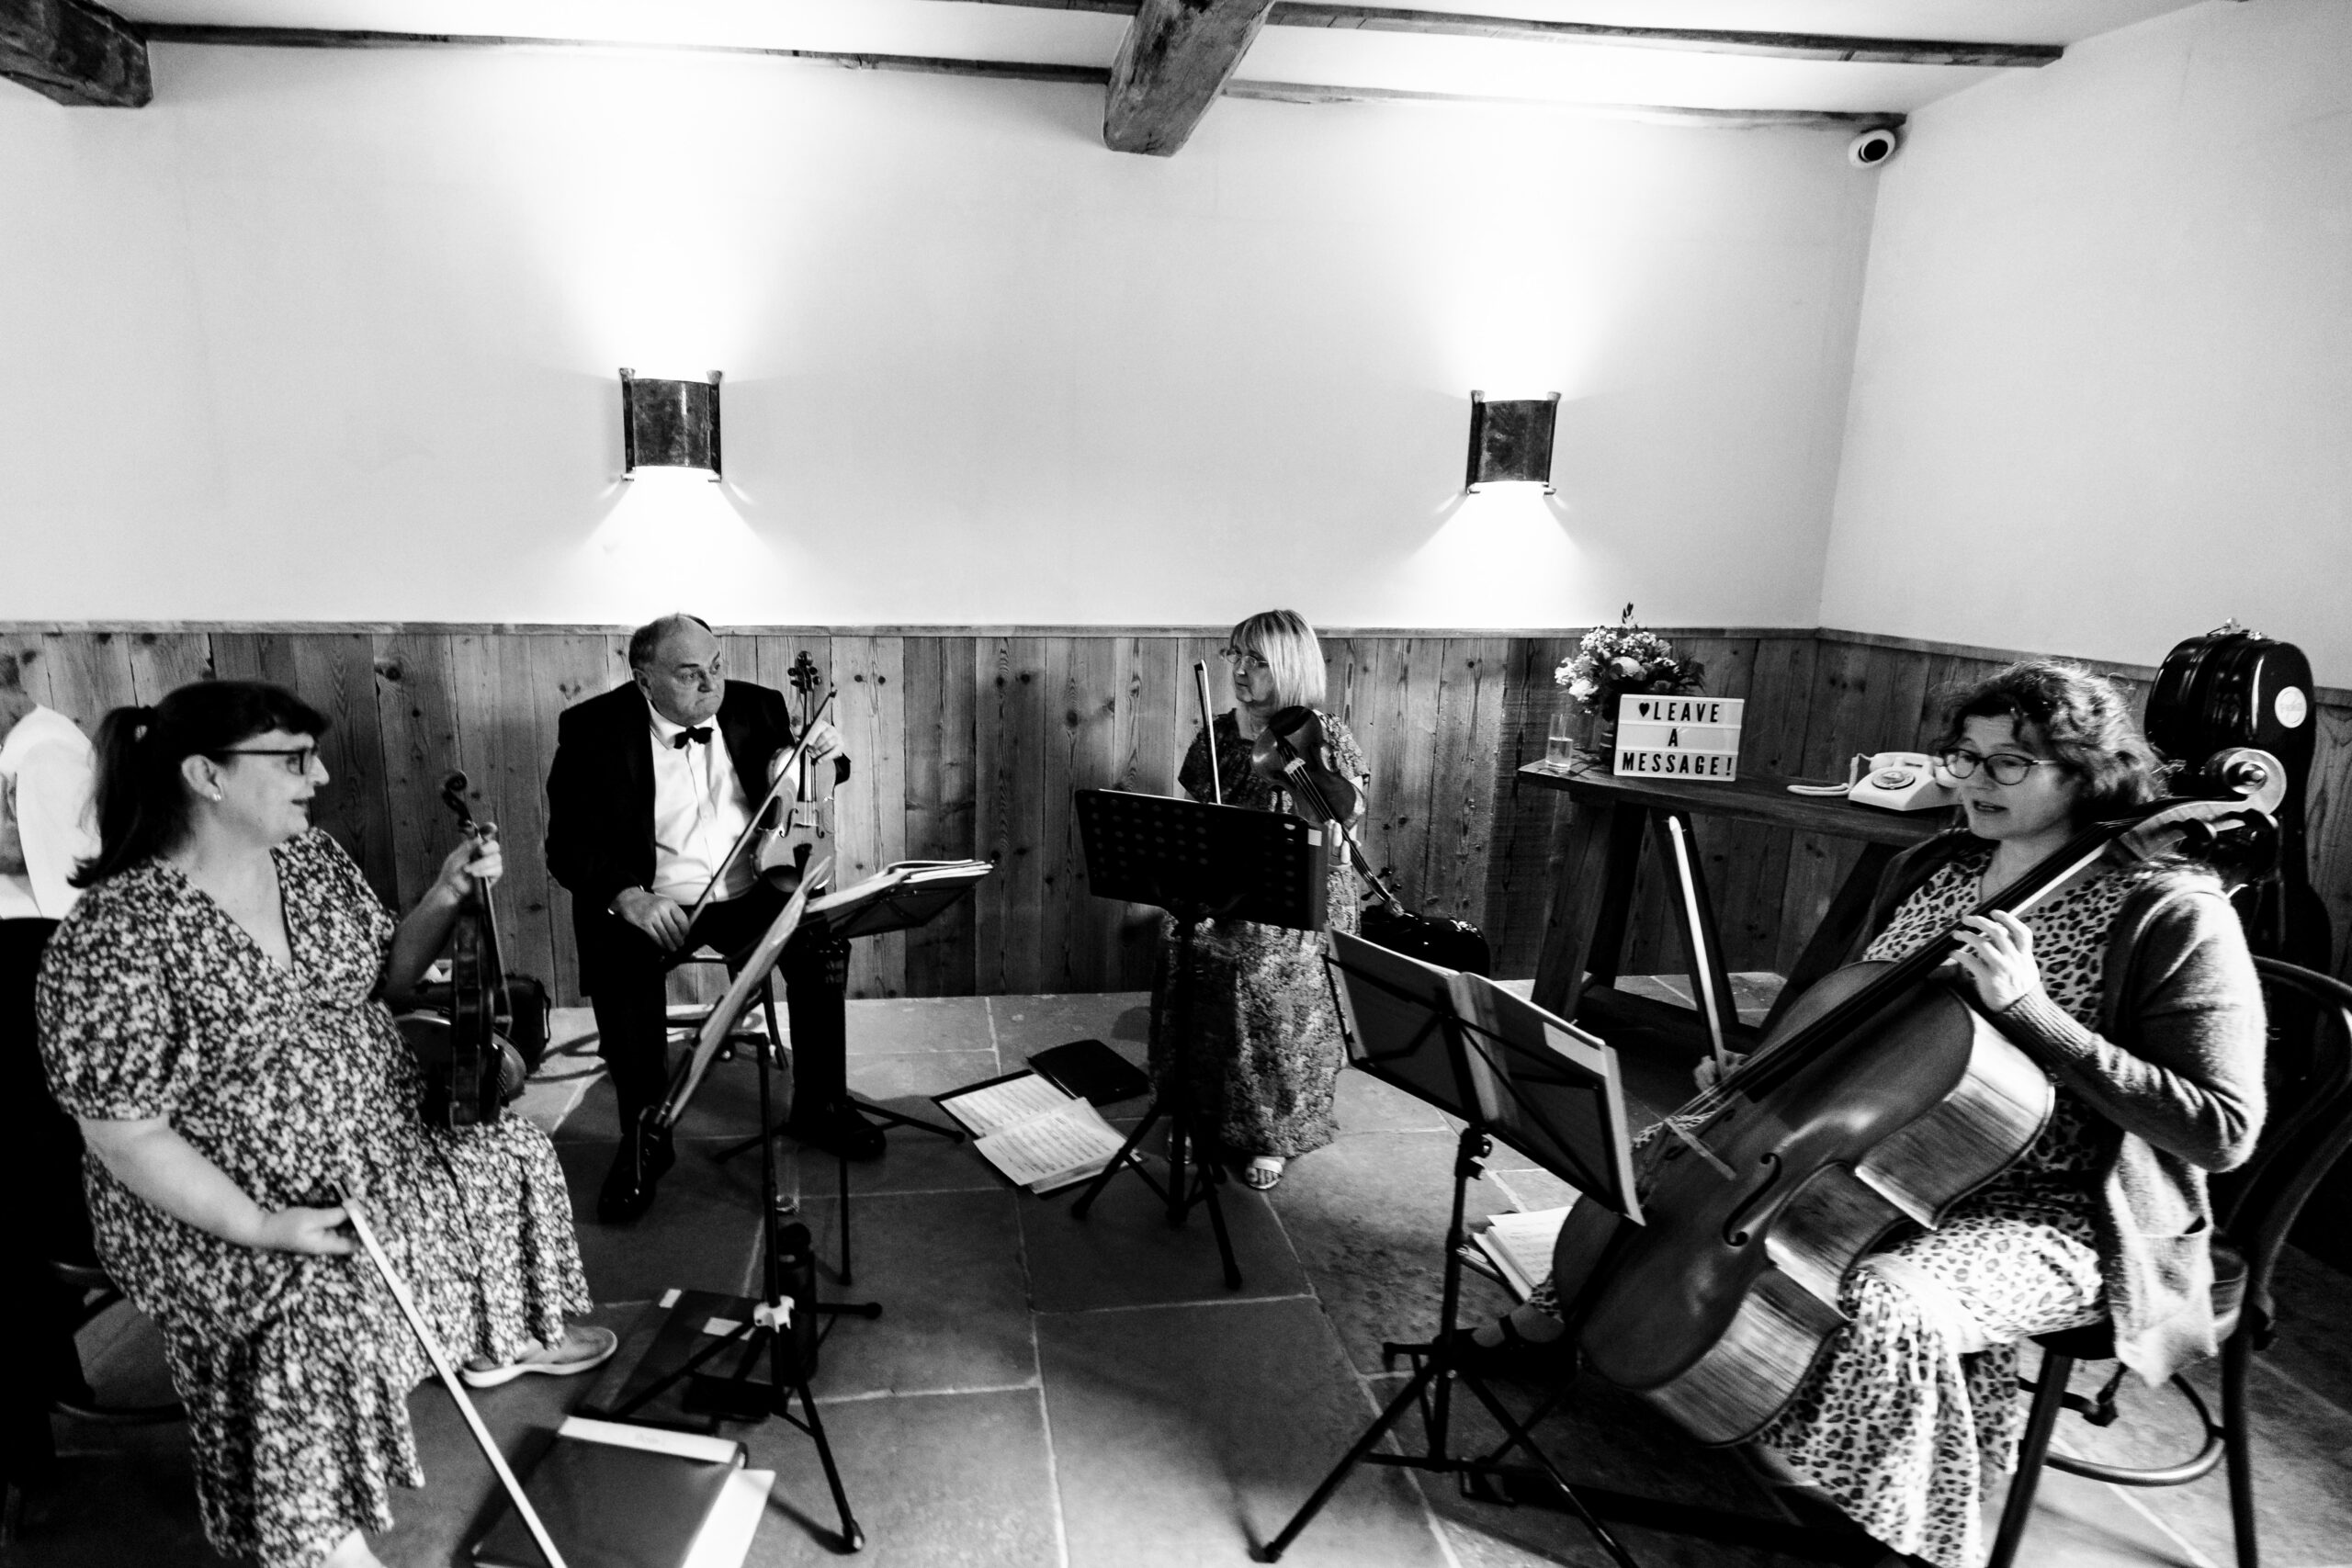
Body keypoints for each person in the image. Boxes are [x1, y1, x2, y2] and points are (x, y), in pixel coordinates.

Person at [1472, 659, 2267, 1568]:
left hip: (2065, 1211)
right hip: (1887, 1159)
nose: (1970, 780)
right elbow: (1850, 1013)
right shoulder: (1936, 865)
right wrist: (1767, 1070)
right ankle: (1556, 1324)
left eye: (2008, 764)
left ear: (2086, 771)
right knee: (1664, 1153)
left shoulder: (2168, 910)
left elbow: (2221, 1129)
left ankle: (1905, 1540)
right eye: (1962, 756)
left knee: (1890, 1301)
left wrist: (2034, 1013)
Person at [36, 680, 605, 1568]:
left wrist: (445, 894)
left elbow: (388, 976)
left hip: (376, 1140)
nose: (322, 775)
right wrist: (261, 1223)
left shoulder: (310, 863)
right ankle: (315, 1533)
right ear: (206, 776)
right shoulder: (114, 935)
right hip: (217, 1199)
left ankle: (487, 1337)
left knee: (506, 1151)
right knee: (313, 1304)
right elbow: (126, 1133)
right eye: (294, 760)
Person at [545, 612, 868, 1224]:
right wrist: (629, 897)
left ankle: (821, 1103)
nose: (710, 684)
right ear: (643, 676)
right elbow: (567, 846)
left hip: (752, 886)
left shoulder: (760, 705)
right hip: (657, 900)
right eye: (689, 674)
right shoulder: (592, 729)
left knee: (820, 944)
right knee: (622, 970)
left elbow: (810, 779)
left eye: (716, 667)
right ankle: (645, 1140)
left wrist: (830, 750)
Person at [1152, 609, 1370, 1192]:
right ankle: (1197, 1110)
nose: (1240, 671)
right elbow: (1194, 817)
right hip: (1226, 884)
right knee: (1183, 946)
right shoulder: (1218, 734)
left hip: (1299, 890)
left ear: (1290, 667)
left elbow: (1348, 826)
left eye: (1256, 661)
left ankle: (1273, 1127)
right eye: (1234, 657)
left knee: (1260, 971)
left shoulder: (1321, 737)